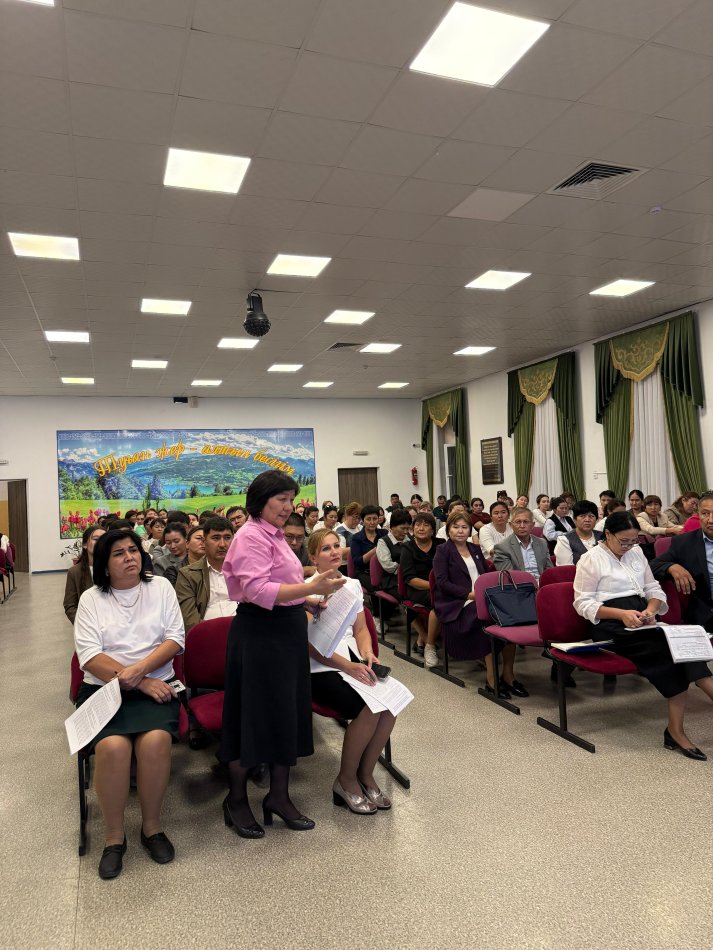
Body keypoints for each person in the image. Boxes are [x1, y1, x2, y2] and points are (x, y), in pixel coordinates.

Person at [219, 471, 345, 838]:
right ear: (260, 500)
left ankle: (278, 796)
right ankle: (236, 799)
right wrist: (311, 586)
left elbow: (280, 585)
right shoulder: (250, 537)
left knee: (285, 715)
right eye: (282, 499)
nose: (289, 507)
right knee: (252, 718)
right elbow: (259, 591)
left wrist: (306, 600)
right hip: (260, 635)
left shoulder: (273, 534)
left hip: (285, 632)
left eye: (292, 499)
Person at [73, 529, 185, 878]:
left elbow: (175, 639)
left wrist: (143, 672)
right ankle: (113, 837)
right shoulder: (91, 599)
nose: (129, 557)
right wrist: (141, 681)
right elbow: (89, 656)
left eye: (133, 550)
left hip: (159, 685)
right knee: (113, 748)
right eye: (119, 553)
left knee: (156, 741)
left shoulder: (160, 588)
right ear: (104, 565)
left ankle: (151, 828)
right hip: (105, 689)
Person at [574, 511, 713, 760]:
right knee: (670, 650)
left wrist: (651, 610)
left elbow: (653, 588)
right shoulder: (591, 559)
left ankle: (675, 730)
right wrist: (621, 614)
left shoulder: (636, 552)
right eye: (623, 541)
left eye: (634, 541)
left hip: (642, 618)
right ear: (608, 534)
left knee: (682, 646)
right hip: (610, 624)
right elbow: (582, 604)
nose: (629, 546)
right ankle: (676, 730)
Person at [307, 529, 396, 815]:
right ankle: (345, 780)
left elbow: (360, 630)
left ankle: (366, 774)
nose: (334, 551)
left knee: (390, 706)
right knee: (369, 708)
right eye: (325, 549)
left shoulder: (352, 585)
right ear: (313, 558)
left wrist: (368, 653)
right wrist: (347, 666)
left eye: (337, 546)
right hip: (320, 666)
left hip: (352, 659)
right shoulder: (306, 589)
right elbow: (309, 645)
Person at [433, 511, 525, 697]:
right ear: (448, 530)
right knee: (489, 619)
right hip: (458, 604)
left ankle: (508, 675)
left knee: (509, 616)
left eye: (464, 527)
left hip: (482, 598)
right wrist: (469, 595)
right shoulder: (442, 551)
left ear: (470, 530)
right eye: (456, 527)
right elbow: (442, 583)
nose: (460, 531)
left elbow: (485, 575)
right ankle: (492, 679)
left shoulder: (475, 549)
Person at [651, 491, 713, 633]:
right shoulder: (684, 543)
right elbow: (652, 566)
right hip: (704, 618)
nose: (710, 520)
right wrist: (671, 567)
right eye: (705, 513)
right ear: (698, 515)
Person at [176, 516, 236, 632]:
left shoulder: (244, 570)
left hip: (243, 632)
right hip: (207, 635)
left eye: (227, 538)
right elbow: (190, 621)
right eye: (216, 538)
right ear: (204, 542)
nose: (222, 544)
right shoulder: (188, 575)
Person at [399, 512, 443, 667]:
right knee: (440, 603)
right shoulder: (407, 548)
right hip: (417, 588)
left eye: (426, 525)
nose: (421, 528)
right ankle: (430, 645)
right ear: (412, 529)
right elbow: (410, 579)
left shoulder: (441, 544)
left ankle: (422, 639)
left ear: (433, 530)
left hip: (440, 586)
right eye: (418, 525)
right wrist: (434, 586)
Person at [493, 507, 552, 580]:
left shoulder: (542, 543)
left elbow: (549, 571)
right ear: (511, 525)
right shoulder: (502, 547)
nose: (522, 526)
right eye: (518, 522)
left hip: (542, 583)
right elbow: (509, 577)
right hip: (521, 584)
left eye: (526, 522)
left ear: (533, 525)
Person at [63, 524, 106, 624]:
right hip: (87, 625)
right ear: (85, 544)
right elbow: (70, 606)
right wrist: (84, 625)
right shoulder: (74, 572)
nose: (101, 542)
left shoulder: (114, 568)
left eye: (104, 539)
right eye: (96, 539)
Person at [375, 508, 412, 598]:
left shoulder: (410, 539)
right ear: (392, 527)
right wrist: (408, 568)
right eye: (402, 528)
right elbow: (388, 566)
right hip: (393, 580)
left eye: (408, 528)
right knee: (411, 595)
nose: (405, 532)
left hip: (411, 577)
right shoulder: (383, 542)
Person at [349, 505, 387, 592]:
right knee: (379, 587)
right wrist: (375, 550)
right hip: (365, 572)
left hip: (384, 570)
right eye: (368, 519)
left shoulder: (384, 533)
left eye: (375, 519)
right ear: (363, 520)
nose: (372, 522)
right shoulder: (357, 538)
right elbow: (357, 562)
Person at [554, 500, 603, 566]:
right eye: (582, 516)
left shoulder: (603, 536)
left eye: (591, 516)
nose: (587, 520)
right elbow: (566, 568)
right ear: (574, 519)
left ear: (596, 520)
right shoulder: (564, 540)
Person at [283, 513, 315, 577]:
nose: (294, 542)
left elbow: (315, 570)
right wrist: (304, 570)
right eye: (289, 536)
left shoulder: (306, 550)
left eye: (299, 537)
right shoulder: (270, 549)